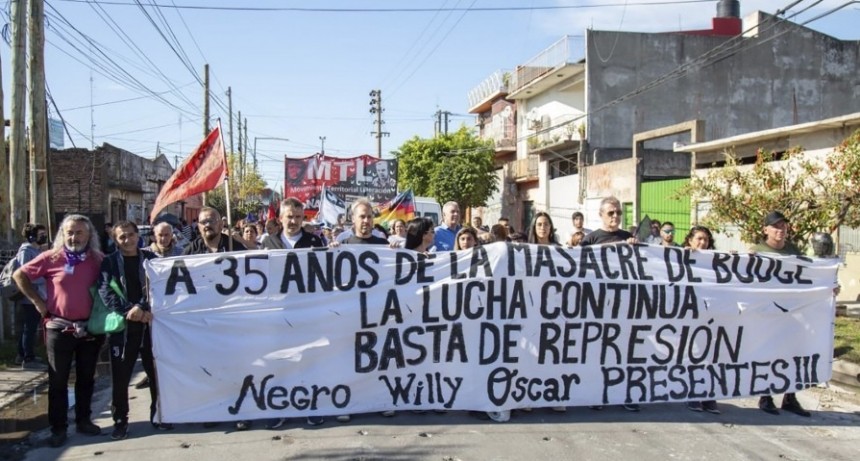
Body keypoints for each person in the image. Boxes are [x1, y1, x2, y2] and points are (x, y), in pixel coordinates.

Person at [12, 215, 105, 447]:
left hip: (89, 328)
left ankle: (83, 420)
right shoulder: (51, 257)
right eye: (69, 232)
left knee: (86, 378)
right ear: (62, 235)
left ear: (89, 235)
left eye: (79, 232)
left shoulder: (98, 259)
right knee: (57, 380)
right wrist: (38, 302)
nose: (74, 237)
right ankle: (58, 428)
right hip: (58, 327)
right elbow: (19, 275)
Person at [99, 222, 171, 440]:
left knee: (155, 373)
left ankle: (158, 414)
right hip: (123, 327)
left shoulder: (152, 260)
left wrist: (143, 307)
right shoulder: (109, 262)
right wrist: (129, 310)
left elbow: (161, 289)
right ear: (115, 239)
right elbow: (105, 291)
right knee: (121, 377)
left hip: (150, 325)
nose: (127, 240)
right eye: (122, 237)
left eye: (131, 235)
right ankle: (120, 420)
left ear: (138, 235)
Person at [260, 198, 325, 428]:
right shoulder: (268, 242)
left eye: (298, 217)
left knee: (308, 361)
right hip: (277, 315)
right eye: (289, 216)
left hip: (307, 314)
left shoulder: (314, 242)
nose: (294, 221)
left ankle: (311, 405)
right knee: (280, 362)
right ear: (280, 218)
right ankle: (280, 407)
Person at [183, 208, 248, 430]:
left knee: (235, 366)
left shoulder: (235, 247)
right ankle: (213, 409)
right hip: (204, 321)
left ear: (221, 224)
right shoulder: (190, 252)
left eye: (211, 221)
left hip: (231, 319)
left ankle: (239, 408)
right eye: (202, 222)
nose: (207, 225)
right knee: (209, 367)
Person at [580, 197, 639, 411]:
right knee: (597, 351)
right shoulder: (591, 239)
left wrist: (634, 247)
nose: (615, 216)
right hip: (598, 304)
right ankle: (597, 393)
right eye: (611, 213)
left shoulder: (629, 238)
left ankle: (625, 394)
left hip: (625, 304)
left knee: (625, 350)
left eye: (618, 213)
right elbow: (579, 267)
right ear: (601, 214)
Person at [750, 211, 810, 418]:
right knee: (769, 354)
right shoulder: (757, 252)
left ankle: (790, 396)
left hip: (792, 314)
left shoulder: (794, 251)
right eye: (776, 226)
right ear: (765, 229)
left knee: (793, 354)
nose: (780, 230)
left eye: (783, 226)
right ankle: (765, 395)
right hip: (767, 315)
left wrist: (828, 286)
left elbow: (810, 275)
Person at [336, 198, 391, 422]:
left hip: (377, 312)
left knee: (377, 358)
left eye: (369, 216)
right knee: (349, 359)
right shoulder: (344, 245)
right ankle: (346, 402)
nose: (366, 220)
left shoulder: (383, 245)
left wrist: (397, 251)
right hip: (350, 314)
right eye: (362, 216)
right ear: (353, 219)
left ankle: (380, 400)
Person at [678, 225, 721, 415]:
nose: (702, 243)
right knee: (694, 354)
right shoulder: (680, 256)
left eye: (706, 239)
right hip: (690, 314)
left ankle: (709, 394)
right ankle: (693, 393)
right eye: (699, 239)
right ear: (690, 240)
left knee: (712, 354)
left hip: (712, 314)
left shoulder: (716, 261)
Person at [13, 223, 49, 369]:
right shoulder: (26, 251)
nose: (44, 237)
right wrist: (44, 278)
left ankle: (22, 354)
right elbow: (25, 274)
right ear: (32, 236)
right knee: (30, 327)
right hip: (30, 295)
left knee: (29, 326)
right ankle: (28, 358)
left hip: (38, 292)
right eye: (41, 235)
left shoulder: (36, 250)